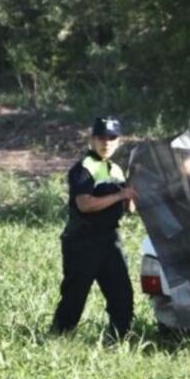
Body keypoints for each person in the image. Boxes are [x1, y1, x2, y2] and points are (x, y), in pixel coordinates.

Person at [51, 116, 138, 340]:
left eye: (111, 137)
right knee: (75, 295)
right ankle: (58, 338)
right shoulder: (83, 168)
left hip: (110, 240)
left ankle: (120, 340)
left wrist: (132, 196)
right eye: (101, 137)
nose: (106, 142)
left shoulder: (117, 170)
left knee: (122, 295)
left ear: (119, 141)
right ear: (92, 139)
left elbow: (129, 207)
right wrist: (121, 194)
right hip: (83, 240)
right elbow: (85, 204)